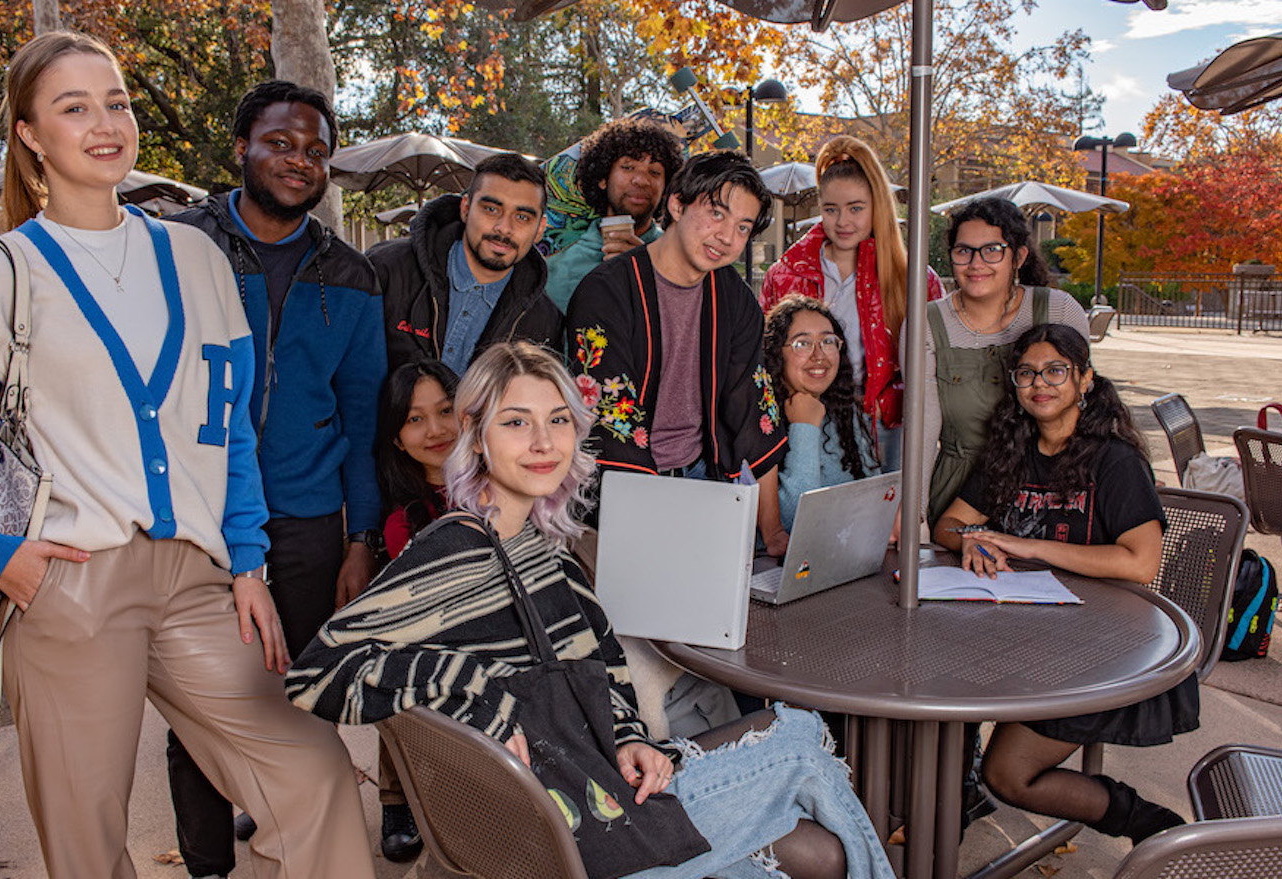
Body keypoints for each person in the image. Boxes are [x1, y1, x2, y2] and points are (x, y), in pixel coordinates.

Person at [0, 32, 371, 878]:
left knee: (313, 769)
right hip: (66, 583)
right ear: (30, 133)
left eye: (117, 103)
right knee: (87, 839)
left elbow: (228, 433)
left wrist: (247, 562)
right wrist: (0, 556)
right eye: (74, 107)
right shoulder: (0, 272)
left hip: (197, 582)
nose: (105, 124)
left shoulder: (197, 257)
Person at [287, 341, 896, 879]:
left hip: (603, 785)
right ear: (476, 436)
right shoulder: (456, 545)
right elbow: (314, 676)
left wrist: (632, 738)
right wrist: (474, 688)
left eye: (558, 420)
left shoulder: (543, 551)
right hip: (569, 837)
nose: (545, 442)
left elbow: (601, 670)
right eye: (516, 423)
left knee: (820, 852)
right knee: (798, 733)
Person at [163, 80, 390, 873]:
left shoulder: (353, 276)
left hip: (304, 519)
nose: (300, 162)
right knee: (199, 704)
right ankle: (206, 864)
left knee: (297, 696)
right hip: (190, 516)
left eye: (316, 150)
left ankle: (290, 827)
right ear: (241, 149)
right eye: (282, 143)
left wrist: (360, 538)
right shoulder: (175, 247)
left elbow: (363, 426)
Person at [935, 323, 1190, 844]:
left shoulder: (1115, 460)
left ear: (1085, 381)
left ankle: (1153, 827)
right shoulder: (1011, 450)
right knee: (934, 684)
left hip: (1104, 651)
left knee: (1007, 775)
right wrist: (971, 541)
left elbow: (1141, 563)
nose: (1040, 384)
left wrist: (1027, 545)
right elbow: (949, 524)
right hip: (1019, 636)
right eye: (1026, 372)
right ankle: (945, 800)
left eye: (1056, 371)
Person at [566, 149, 791, 554]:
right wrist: (661, 527)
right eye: (717, 214)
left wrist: (772, 532)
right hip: (616, 491)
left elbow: (754, 413)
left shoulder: (736, 300)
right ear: (677, 203)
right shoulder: (607, 292)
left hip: (704, 479)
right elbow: (612, 421)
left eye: (742, 227)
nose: (726, 237)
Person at [759, 136, 942, 472]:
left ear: (877, 207)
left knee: (885, 518)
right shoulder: (785, 274)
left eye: (856, 208)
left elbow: (936, 363)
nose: (842, 221)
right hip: (809, 419)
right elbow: (764, 359)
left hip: (887, 423)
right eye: (831, 209)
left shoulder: (914, 277)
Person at [916, 196, 1090, 528]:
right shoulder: (926, 323)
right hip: (958, 495)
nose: (976, 263)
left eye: (992, 250)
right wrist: (916, 513)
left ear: (1019, 256)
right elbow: (923, 428)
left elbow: (1085, 405)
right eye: (963, 250)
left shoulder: (1059, 310)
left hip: (1046, 489)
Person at [373, 152, 563, 372]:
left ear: (540, 228)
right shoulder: (387, 270)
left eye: (522, 217)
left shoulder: (545, 321)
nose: (504, 227)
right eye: (491, 209)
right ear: (465, 208)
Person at [761, 295, 879, 532]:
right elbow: (794, 524)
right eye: (802, 343)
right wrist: (804, 428)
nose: (819, 355)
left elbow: (872, 501)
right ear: (776, 353)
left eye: (828, 341)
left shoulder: (844, 411)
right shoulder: (760, 418)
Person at [543, 117, 684, 311]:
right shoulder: (557, 266)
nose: (641, 180)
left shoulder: (682, 257)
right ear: (603, 178)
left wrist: (648, 277)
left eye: (654, 172)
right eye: (628, 167)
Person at [377, 359, 461, 559]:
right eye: (415, 419)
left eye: (446, 410)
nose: (435, 430)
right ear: (397, 439)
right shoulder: (404, 525)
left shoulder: (506, 486)